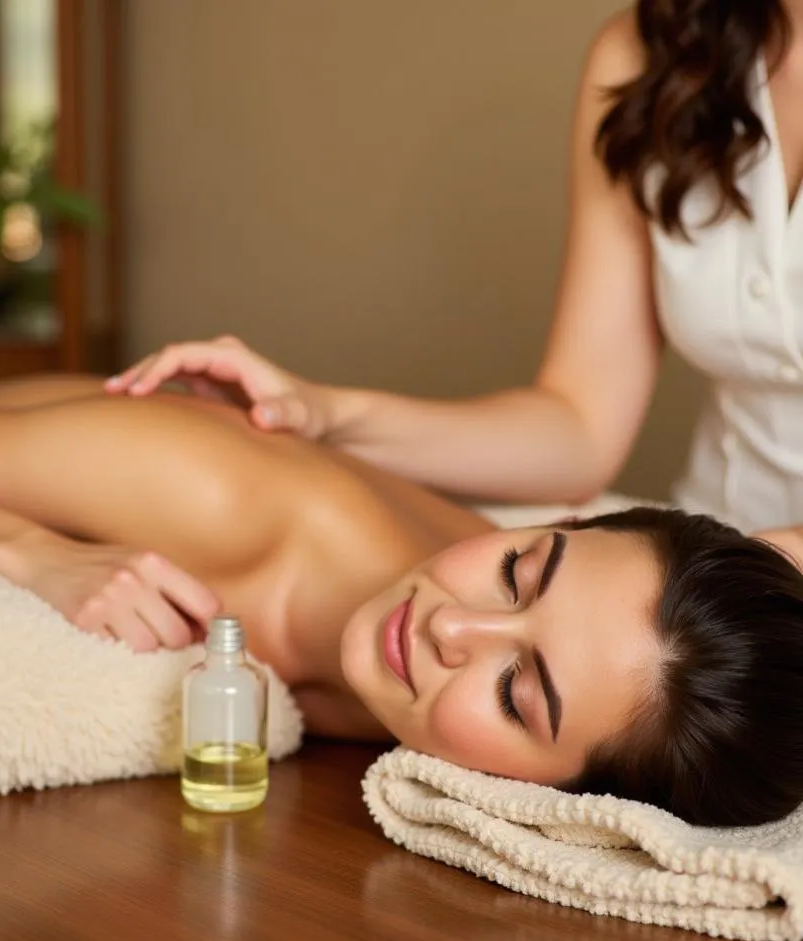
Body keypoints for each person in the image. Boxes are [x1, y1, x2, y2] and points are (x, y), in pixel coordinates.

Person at [0, 376, 802, 828]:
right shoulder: (222, 501)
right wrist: (28, 552)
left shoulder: (592, 715)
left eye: (518, 689)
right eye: (519, 571)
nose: (454, 625)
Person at [105, 0, 803, 566]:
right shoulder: (655, 55)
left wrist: (693, 582)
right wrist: (322, 414)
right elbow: (579, 428)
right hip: (705, 566)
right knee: (323, 535)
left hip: (721, 593)